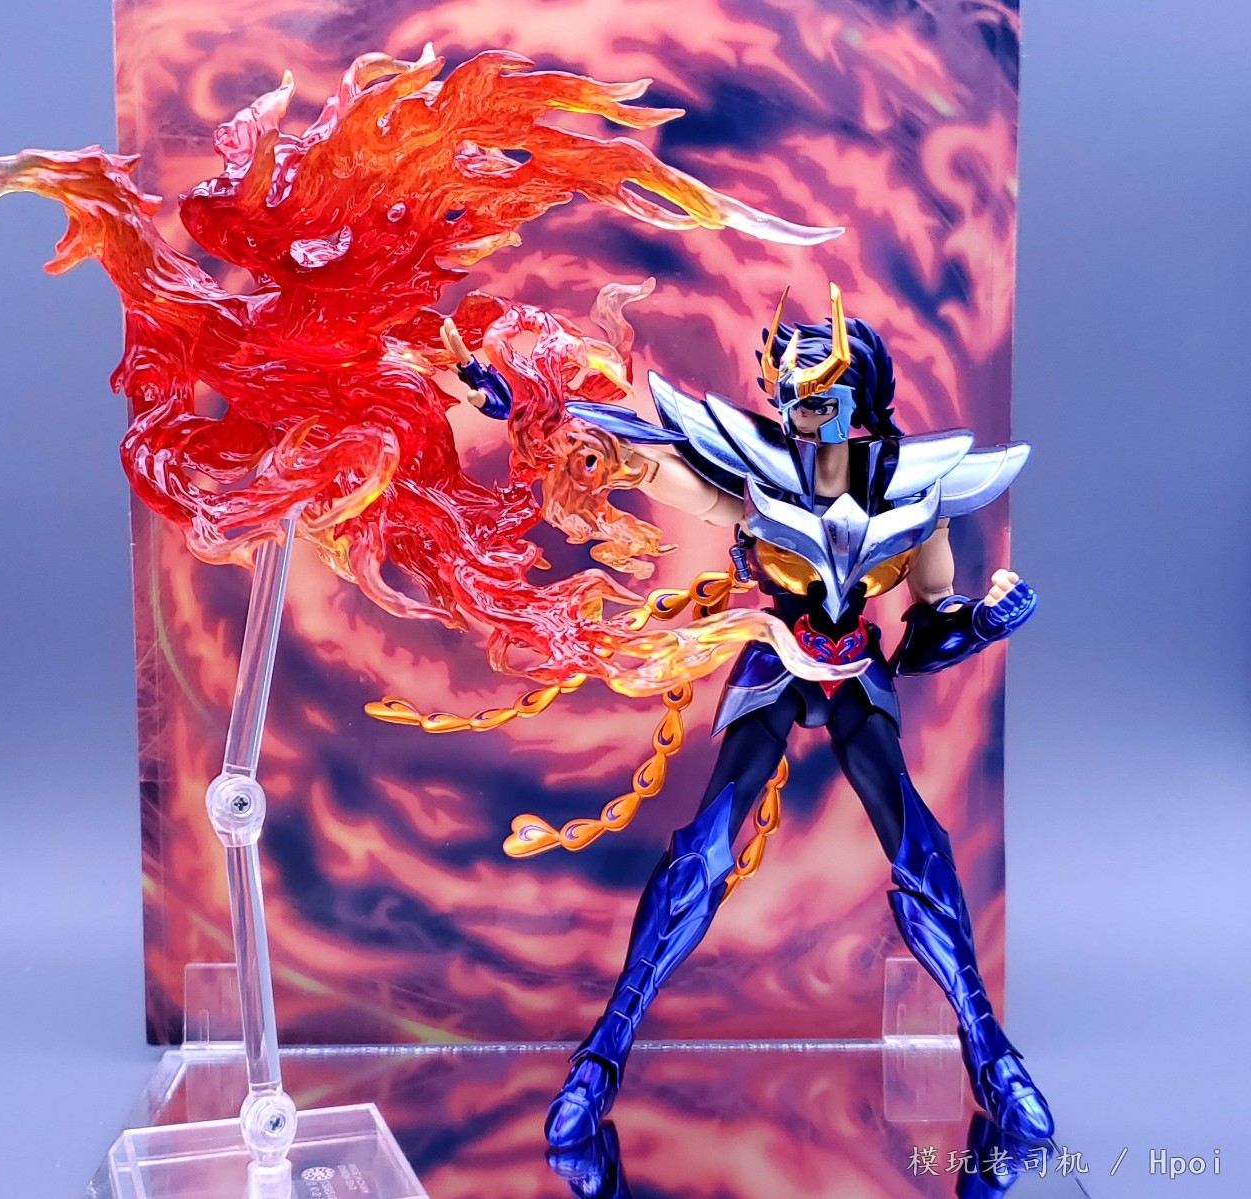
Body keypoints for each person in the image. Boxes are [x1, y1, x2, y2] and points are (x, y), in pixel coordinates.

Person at [441, 282, 1052, 1149]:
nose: (801, 414)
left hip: (857, 669)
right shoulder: (763, 476)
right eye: (790, 396)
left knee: (919, 843)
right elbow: (645, 464)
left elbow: (926, 634)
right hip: (777, 657)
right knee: (704, 849)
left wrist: (983, 621)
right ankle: (600, 1058)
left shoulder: (917, 493)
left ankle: (992, 1055)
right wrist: (529, 410)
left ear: (861, 398)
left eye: (821, 398)